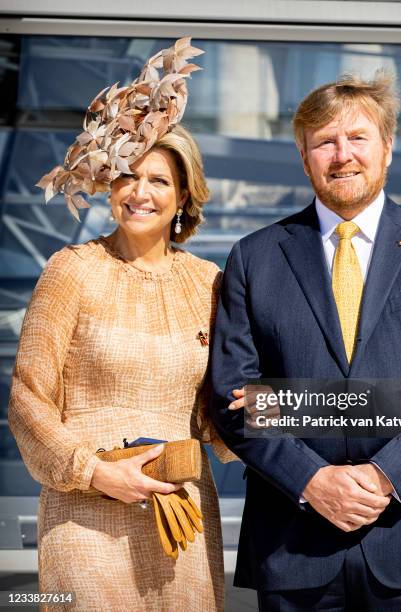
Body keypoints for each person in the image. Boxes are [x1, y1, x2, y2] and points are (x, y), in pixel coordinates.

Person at [210, 71, 401, 611]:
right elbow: (234, 395)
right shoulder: (255, 256)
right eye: (325, 142)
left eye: (357, 137)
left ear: (387, 149)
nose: (342, 154)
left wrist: (386, 476)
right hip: (294, 542)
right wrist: (311, 479)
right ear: (304, 156)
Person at [8, 39, 234, 612]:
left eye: (159, 180)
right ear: (109, 188)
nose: (140, 192)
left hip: (182, 516)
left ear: (184, 196)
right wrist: (96, 474)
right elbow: (27, 400)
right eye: (127, 177)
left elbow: (221, 411)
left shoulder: (210, 282)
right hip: (86, 516)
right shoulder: (71, 270)